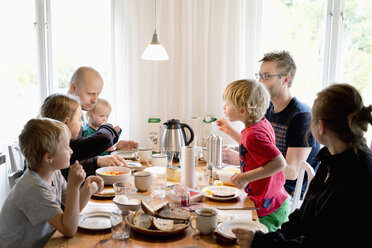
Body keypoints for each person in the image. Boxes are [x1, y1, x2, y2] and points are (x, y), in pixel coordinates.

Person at [232, 83, 372, 247]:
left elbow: (318, 242)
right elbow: (304, 218)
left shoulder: (358, 176)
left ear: (321, 126)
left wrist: (261, 242)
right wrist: (269, 237)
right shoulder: (331, 159)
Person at [219, 51, 320, 196]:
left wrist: (240, 160)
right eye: (259, 75)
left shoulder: (301, 117)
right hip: (265, 183)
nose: (260, 81)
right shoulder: (268, 108)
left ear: (285, 80)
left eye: (266, 76)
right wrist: (235, 144)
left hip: (284, 193)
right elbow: (260, 145)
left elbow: (292, 172)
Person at [0, 118, 104, 248]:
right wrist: (73, 186)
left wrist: (87, 188)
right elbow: (69, 229)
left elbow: (74, 209)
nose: (71, 151)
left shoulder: (53, 173)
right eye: (67, 148)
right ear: (49, 157)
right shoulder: (33, 188)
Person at [223, 79, 289, 232]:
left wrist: (245, 177)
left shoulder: (254, 134)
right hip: (272, 198)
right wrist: (234, 142)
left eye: (228, 104)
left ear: (243, 111)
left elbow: (279, 163)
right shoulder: (260, 124)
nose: (224, 107)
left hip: (268, 205)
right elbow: (257, 148)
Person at [40, 93, 124, 178]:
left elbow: (75, 161)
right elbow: (105, 138)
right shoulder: (62, 146)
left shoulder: (55, 143)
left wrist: (97, 161)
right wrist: (106, 125)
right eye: (79, 119)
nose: (82, 123)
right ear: (66, 122)